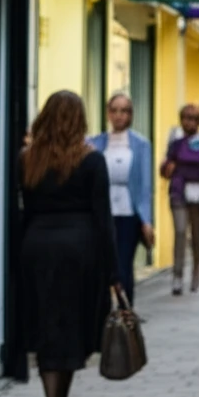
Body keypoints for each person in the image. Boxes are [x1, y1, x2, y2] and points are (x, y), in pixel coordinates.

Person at [20, 91, 118, 397]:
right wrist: (114, 273)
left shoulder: (27, 159)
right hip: (80, 250)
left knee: (48, 328)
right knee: (73, 329)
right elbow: (103, 219)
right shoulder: (91, 160)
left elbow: (24, 210)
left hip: (37, 248)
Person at [89, 93, 154, 305]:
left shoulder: (141, 144)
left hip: (129, 214)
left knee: (123, 265)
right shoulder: (95, 143)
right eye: (114, 110)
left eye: (124, 111)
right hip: (102, 214)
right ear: (108, 113)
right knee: (101, 267)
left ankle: (126, 313)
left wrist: (146, 220)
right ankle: (104, 315)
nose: (119, 115)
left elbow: (145, 185)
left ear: (131, 114)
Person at [161, 104, 199, 295]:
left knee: (196, 236)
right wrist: (168, 168)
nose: (189, 122)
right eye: (186, 118)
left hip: (198, 194)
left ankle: (196, 270)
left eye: (193, 118)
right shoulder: (176, 142)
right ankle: (177, 276)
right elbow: (165, 167)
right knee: (179, 232)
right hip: (179, 192)